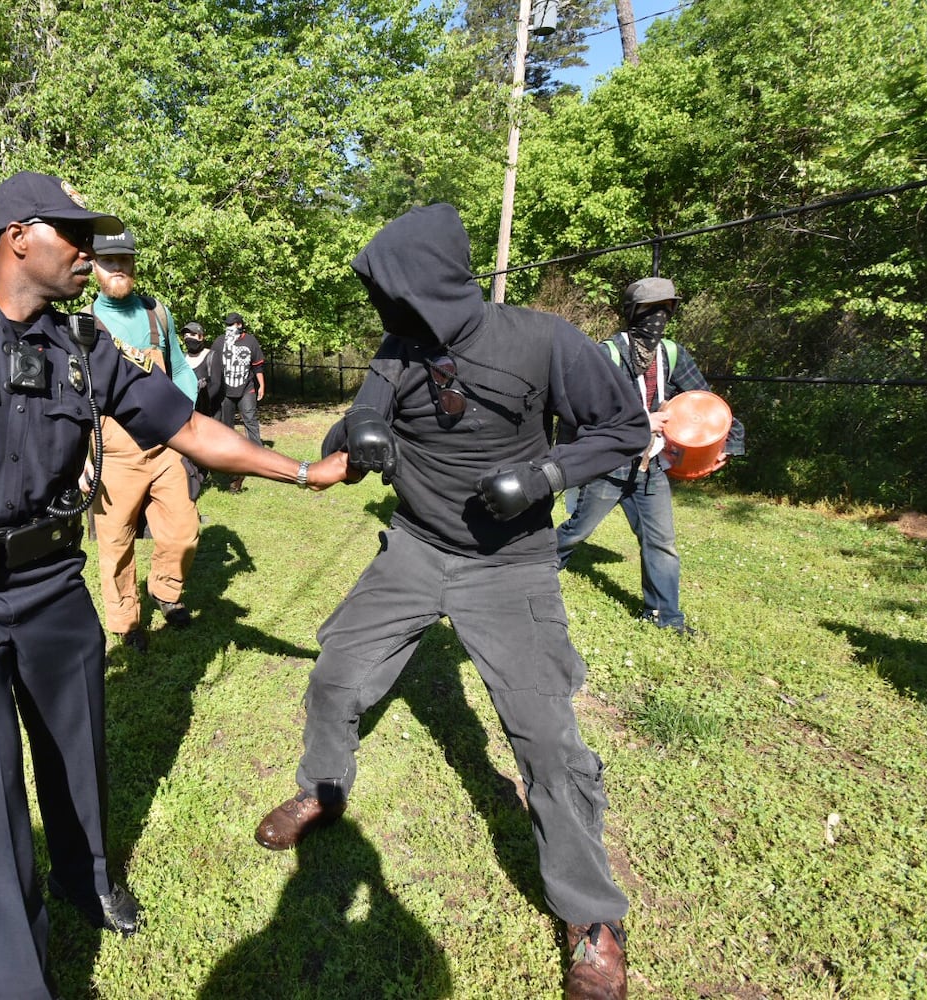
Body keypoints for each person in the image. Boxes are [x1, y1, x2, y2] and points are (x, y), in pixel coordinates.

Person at [0, 170, 346, 1000]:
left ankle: (85, 881)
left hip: (52, 583)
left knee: (77, 750)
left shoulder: (86, 350)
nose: (89, 253)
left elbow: (191, 428)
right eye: (73, 236)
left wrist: (301, 470)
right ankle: (16, 980)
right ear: (18, 235)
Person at [252, 204, 650, 1000]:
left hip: (511, 563)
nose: (385, 311)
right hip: (415, 549)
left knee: (544, 737)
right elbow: (361, 414)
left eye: (392, 292)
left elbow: (623, 427)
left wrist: (545, 477)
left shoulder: (541, 339)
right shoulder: (401, 348)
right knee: (337, 673)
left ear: (429, 284)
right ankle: (323, 788)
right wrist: (361, 430)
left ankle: (593, 919)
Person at [554, 277, 745, 637]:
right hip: (609, 466)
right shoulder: (605, 354)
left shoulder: (673, 354)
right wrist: (642, 421)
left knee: (661, 542)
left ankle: (665, 616)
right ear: (631, 313)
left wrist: (726, 444)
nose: (658, 317)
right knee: (579, 530)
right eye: (649, 310)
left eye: (665, 309)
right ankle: (539, 569)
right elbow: (584, 411)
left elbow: (706, 403)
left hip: (650, 467)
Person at [85, 228, 200, 650]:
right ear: (92, 266)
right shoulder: (82, 325)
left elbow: (182, 369)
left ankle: (166, 592)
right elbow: (76, 397)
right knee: (116, 545)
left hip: (166, 445)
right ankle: (126, 622)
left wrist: (185, 419)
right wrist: (82, 452)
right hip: (113, 452)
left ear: (134, 263)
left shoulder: (158, 313)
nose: (117, 268)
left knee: (184, 531)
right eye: (107, 261)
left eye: (124, 260)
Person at [212, 311, 265, 492]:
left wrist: (261, 386)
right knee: (226, 425)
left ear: (240, 325)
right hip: (225, 390)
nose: (230, 328)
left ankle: (258, 456)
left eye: (232, 325)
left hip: (246, 388)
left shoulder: (250, 341)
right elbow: (212, 366)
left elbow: (258, 365)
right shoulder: (219, 342)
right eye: (227, 325)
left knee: (250, 419)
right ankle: (227, 455)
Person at [181, 321, 224, 417]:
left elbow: (216, 384)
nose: (188, 338)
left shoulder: (211, 356)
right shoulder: (182, 358)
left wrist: (201, 402)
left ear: (201, 337)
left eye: (192, 334)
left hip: (210, 413)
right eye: (185, 335)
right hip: (186, 412)